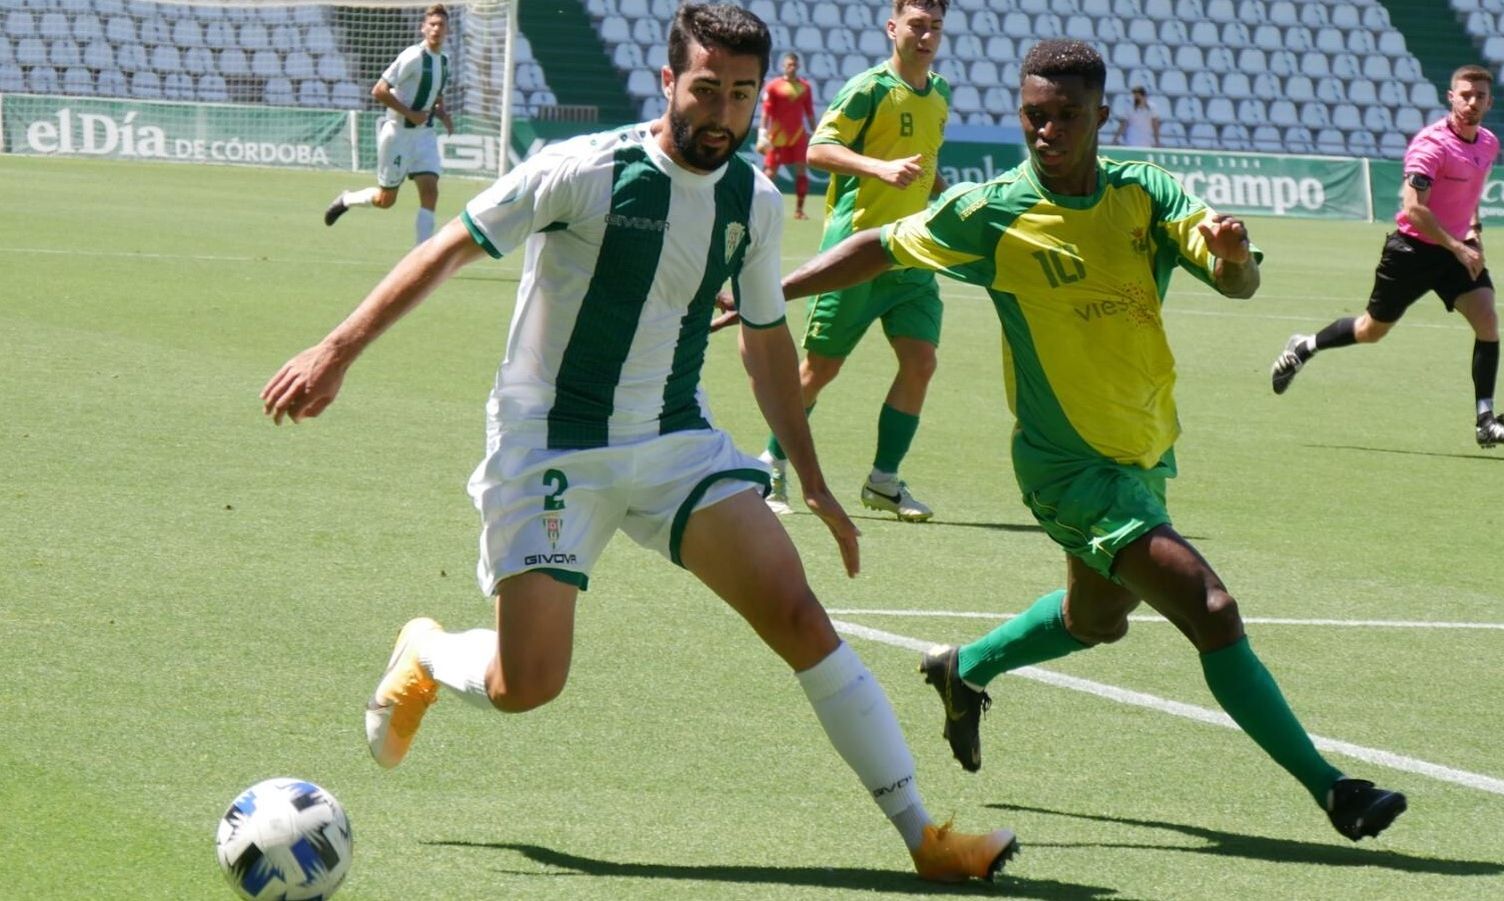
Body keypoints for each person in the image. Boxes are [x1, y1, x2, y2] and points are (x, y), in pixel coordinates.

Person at [261, 4, 1016, 883]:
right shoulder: (580, 170)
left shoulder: (754, 199)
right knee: (527, 684)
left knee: (799, 614)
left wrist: (809, 478)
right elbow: (450, 251)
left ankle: (924, 835)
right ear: (669, 83)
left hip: (673, 438)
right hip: (552, 445)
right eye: (707, 89)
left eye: (741, 94)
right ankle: (428, 649)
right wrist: (336, 350)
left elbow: (766, 338)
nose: (725, 114)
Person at [776, 39, 1409, 844]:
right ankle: (1335, 789)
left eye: (1066, 116)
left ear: (1102, 115)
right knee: (1211, 608)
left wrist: (1236, 257)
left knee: (1096, 618)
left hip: (1143, 447)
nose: (1047, 130)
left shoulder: (1143, 194)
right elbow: (880, 246)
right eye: (1034, 115)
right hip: (1066, 465)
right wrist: (772, 288)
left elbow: (1234, 280)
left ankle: (964, 669)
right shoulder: (993, 210)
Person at [758, 0, 952, 521]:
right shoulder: (869, 88)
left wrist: (947, 197)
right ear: (893, 28)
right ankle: (769, 465)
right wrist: (878, 168)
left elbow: (926, 161)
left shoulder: (942, 93)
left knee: (921, 362)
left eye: (935, 26)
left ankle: (884, 481)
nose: (926, 35)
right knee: (820, 369)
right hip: (856, 252)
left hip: (911, 252)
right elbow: (819, 149)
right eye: (916, 24)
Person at [1269, 65, 1504, 449]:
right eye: (1465, 95)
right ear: (1450, 97)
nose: (1472, 103)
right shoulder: (1431, 145)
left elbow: (1472, 197)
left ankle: (1485, 419)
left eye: (1480, 97)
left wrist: (1473, 235)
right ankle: (1304, 346)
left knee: (1487, 319)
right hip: (1411, 251)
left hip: (1454, 250)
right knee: (1372, 330)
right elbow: (1414, 207)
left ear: (1489, 102)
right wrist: (1456, 246)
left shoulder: (1487, 143)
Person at [323, 4, 456, 246]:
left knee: (430, 192)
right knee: (386, 200)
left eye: (441, 25)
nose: (436, 29)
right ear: (423, 29)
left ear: (448, 30)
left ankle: (421, 256)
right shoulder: (412, 57)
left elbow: (436, 95)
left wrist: (442, 113)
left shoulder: (445, 62)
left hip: (424, 135)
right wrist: (409, 113)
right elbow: (379, 90)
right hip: (397, 134)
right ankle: (347, 199)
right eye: (432, 25)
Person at [757, 51, 817, 219]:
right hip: (777, 136)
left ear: (798, 66)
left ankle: (799, 210)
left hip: (798, 136)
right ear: (783, 66)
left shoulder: (805, 87)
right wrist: (762, 133)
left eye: (794, 65)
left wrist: (816, 132)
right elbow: (766, 112)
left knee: (801, 171)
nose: (791, 67)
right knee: (770, 173)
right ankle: (759, 206)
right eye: (788, 64)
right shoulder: (773, 86)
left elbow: (810, 112)